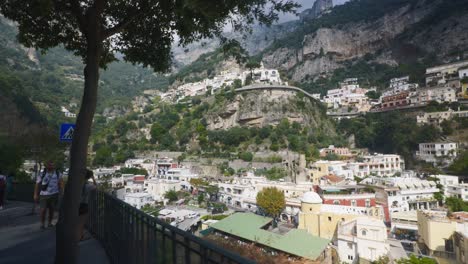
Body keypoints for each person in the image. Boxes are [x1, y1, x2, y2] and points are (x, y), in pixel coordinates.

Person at [34, 161, 64, 229]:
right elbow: (37, 184)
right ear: (46, 166)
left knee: (52, 209)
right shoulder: (42, 174)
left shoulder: (58, 174)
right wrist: (35, 194)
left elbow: (61, 184)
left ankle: (50, 222)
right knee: (43, 209)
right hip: (43, 195)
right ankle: (42, 223)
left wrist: (62, 193)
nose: (51, 166)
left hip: (54, 194)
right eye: (50, 165)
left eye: (52, 165)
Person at [77, 169, 97, 241]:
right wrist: (93, 178)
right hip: (83, 204)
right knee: (81, 222)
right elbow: (95, 186)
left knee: (77, 221)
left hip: (75, 204)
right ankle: (80, 237)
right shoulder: (88, 186)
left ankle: (78, 235)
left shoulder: (77, 184)